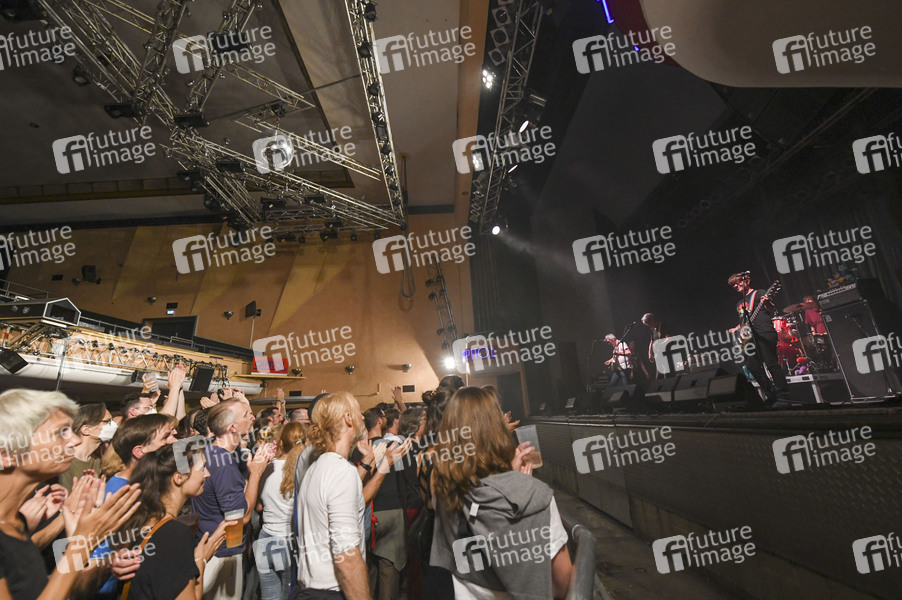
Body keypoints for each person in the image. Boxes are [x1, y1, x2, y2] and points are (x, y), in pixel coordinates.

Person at [431, 387, 573, 599]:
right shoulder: (535, 496)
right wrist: (518, 484)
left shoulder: (445, 493)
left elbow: (480, 493)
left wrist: (509, 476)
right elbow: (561, 583)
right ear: (498, 429)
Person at [0, 389, 142, 600]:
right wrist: (80, 544)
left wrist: (104, 565)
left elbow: (69, 593)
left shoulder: (16, 525)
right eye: (61, 432)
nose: (75, 440)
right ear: (8, 454)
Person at [113, 444, 231, 600]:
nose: (207, 474)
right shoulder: (175, 535)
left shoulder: (142, 518)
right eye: (202, 468)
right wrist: (201, 559)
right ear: (179, 478)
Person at [191, 399, 274, 600]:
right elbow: (241, 518)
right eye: (246, 415)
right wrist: (256, 474)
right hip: (222, 554)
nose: (251, 417)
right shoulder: (224, 465)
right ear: (232, 428)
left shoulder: (212, 451)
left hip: (212, 546)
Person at [296, 392, 370, 599]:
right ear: (348, 418)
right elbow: (347, 556)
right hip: (332, 591)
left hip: (311, 590)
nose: (363, 417)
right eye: (358, 411)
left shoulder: (316, 467)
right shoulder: (341, 471)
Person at [257, 423, 305, 600]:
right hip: (288, 540)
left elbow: (258, 507)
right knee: (288, 595)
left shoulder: (266, 467)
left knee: (269, 595)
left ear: (281, 443)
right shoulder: (304, 470)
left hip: (265, 537)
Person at [728, 272, 789, 405]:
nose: (736, 286)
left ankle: (784, 395)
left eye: (738, 283)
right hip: (749, 338)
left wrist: (766, 303)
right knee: (752, 366)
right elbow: (744, 322)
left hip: (764, 333)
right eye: (733, 285)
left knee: (771, 364)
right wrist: (736, 328)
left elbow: (771, 309)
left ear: (747, 281)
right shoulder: (739, 303)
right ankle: (771, 395)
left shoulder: (759, 293)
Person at [59, 403, 116, 492]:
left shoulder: (96, 460)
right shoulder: (65, 462)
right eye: (107, 422)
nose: (113, 425)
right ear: (86, 430)